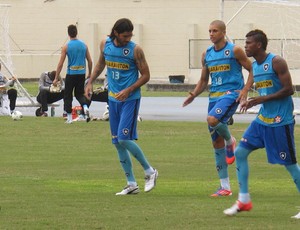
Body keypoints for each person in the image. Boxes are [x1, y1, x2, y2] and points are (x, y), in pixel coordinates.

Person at [223, 29, 300, 219]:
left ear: (258, 45)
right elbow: (257, 89)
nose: (245, 46)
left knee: (290, 165)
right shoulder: (254, 66)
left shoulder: (276, 62)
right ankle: (244, 200)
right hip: (262, 120)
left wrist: (259, 100)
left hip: (280, 121)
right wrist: (248, 97)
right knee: (240, 152)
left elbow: (289, 89)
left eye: (248, 43)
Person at [85, 18, 158, 195]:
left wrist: (129, 89)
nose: (128, 38)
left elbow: (146, 75)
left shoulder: (135, 50)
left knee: (124, 139)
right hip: (113, 99)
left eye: (130, 35)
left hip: (130, 99)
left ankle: (150, 171)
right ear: (116, 33)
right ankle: (131, 184)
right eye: (125, 35)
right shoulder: (105, 44)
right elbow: (101, 63)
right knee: (117, 143)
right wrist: (90, 81)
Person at [182, 20, 253, 196]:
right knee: (215, 143)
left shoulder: (235, 50)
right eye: (209, 31)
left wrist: (244, 90)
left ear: (223, 32)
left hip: (231, 93)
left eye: (214, 31)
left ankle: (231, 140)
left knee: (212, 119)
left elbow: (253, 70)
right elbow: (204, 80)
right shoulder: (207, 54)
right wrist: (193, 95)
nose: (211, 34)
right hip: (214, 97)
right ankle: (225, 187)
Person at [53, 24, 93, 124]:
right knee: (79, 94)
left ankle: (69, 118)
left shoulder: (66, 46)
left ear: (68, 34)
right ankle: (85, 107)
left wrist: (56, 77)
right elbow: (90, 61)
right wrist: (90, 73)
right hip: (81, 73)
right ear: (76, 32)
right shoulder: (84, 45)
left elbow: (60, 63)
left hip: (71, 74)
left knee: (68, 96)